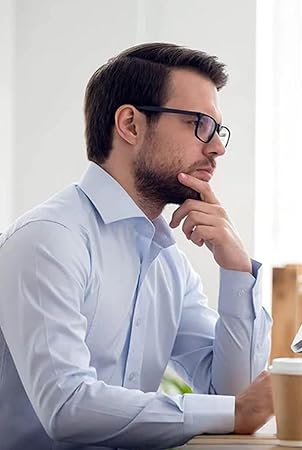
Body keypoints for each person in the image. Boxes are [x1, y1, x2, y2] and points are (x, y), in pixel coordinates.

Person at [0, 43, 273, 450]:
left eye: (218, 130)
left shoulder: (169, 262)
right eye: (199, 124)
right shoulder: (48, 240)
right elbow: (67, 407)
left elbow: (234, 394)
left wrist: (236, 269)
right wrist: (235, 412)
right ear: (130, 125)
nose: (216, 147)